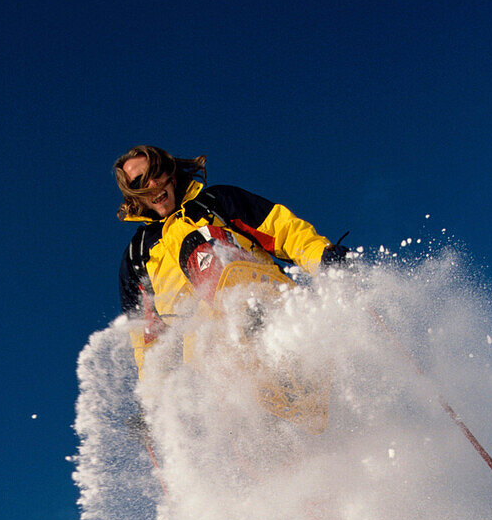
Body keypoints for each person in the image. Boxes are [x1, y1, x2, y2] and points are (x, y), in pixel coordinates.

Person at [114, 144, 348, 376]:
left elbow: (282, 230)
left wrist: (323, 257)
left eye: (155, 172)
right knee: (192, 335)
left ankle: (261, 330)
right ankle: (248, 391)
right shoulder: (138, 255)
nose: (152, 183)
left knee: (200, 244)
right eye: (139, 182)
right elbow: (147, 339)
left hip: (270, 305)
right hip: (211, 356)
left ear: (170, 176)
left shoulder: (215, 203)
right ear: (134, 197)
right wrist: (154, 401)